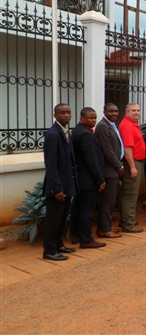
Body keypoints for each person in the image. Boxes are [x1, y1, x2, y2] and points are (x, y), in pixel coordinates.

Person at [42, 104, 78, 261]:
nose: (66, 115)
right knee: (53, 220)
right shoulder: (53, 134)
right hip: (57, 187)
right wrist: (57, 188)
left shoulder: (64, 131)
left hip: (67, 184)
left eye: (68, 112)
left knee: (62, 218)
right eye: (62, 112)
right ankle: (49, 251)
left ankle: (58, 244)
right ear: (55, 115)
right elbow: (51, 164)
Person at [70, 107, 107, 249]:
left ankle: (76, 235)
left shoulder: (78, 130)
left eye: (95, 117)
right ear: (82, 118)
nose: (93, 120)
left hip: (81, 178)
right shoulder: (85, 134)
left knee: (78, 207)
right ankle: (86, 239)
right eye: (90, 118)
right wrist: (100, 179)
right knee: (86, 209)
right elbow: (91, 160)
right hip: (88, 179)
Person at [94, 103, 124, 238]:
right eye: (111, 111)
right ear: (104, 112)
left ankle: (106, 225)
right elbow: (107, 150)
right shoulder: (102, 126)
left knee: (111, 200)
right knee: (107, 201)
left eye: (116, 111)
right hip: (108, 169)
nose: (114, 114)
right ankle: (104, 230)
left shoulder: (111, 124)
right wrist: (119, 166)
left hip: (113, 169)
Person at [118, 102, 146, 233]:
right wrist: (133, 167)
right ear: (127, 112)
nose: (136, 112)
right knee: (130, 193)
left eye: (138, 110)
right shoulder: (127, 125)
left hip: (137, 161)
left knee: (132, 193)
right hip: (133, 163)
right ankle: (128, 224)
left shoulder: (133, 124)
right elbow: (127, 148)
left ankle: (128, 219)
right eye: (133, 110)